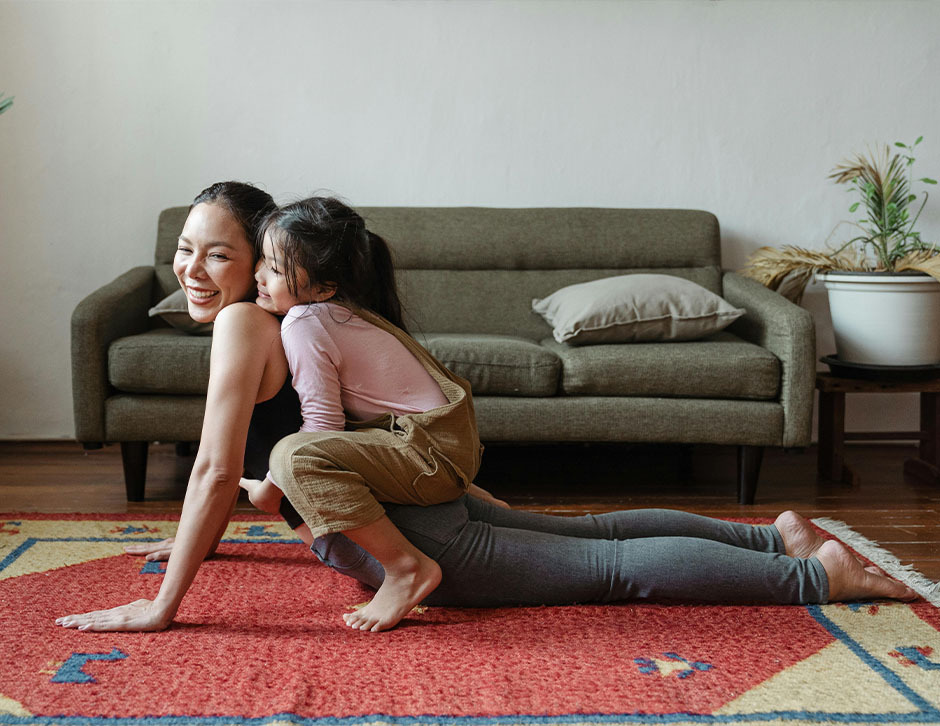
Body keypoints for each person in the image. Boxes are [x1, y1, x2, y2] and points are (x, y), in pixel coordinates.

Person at [55, 185, 916, 636]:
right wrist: (204, 529)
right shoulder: (307, 317)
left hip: (415, 535)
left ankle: (812, 575)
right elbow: (292, 453)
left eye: (219, 254)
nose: (194, 272)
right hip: (416, 496)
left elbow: (223, 466)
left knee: (611, 571)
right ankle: (778, 537)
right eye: (182, 252)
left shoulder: (255, 322)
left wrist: (164, 602)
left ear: (267, 263)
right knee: (600, 537)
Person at [240, 196, 503, 631]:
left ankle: (406, 568)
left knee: (293, 457)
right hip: (445, 449)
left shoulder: (304, 321)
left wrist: (271, 488)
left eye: (275, 268)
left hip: (430, 457)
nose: (259, 276)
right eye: (262, 262)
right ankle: (468, 494)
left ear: (324, 287)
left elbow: (322, 428)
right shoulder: (342, 313)